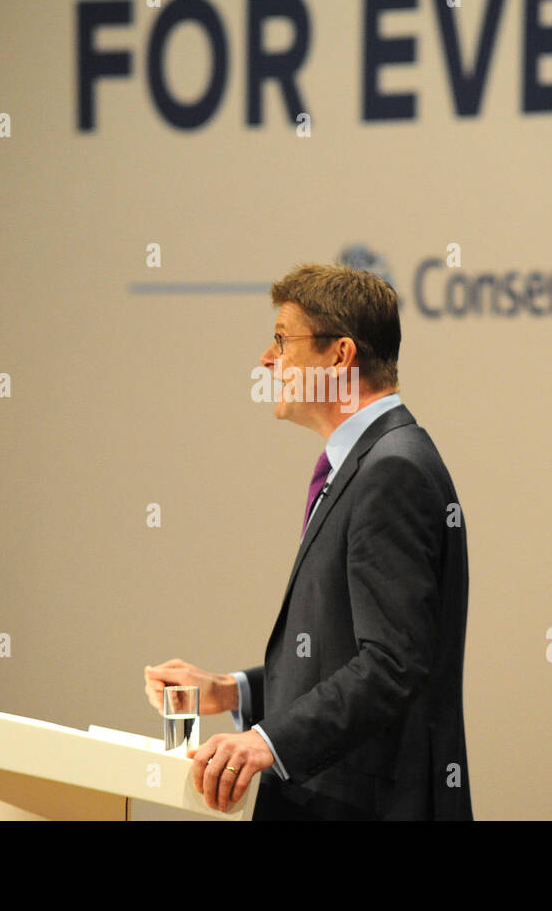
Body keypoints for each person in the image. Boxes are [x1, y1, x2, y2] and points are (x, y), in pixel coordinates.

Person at [144, 262, 471, 820]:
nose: (266, 360)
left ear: (340, 355)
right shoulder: (370, 463)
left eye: (280, 340)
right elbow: (342, 652)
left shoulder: (393, 469)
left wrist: (267, 742)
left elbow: (392, 663)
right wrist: (233, 691)